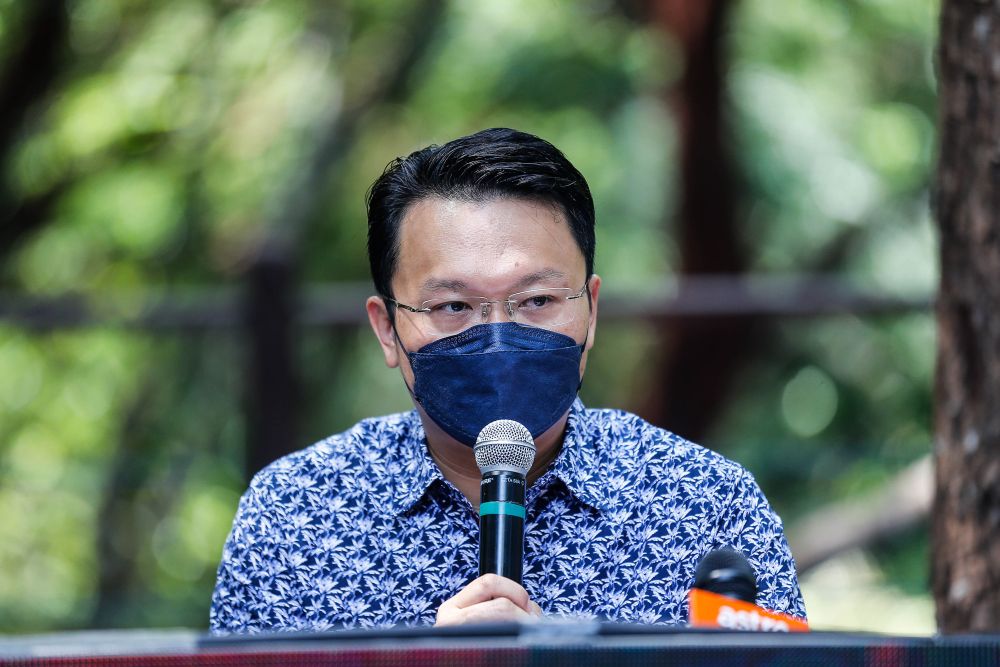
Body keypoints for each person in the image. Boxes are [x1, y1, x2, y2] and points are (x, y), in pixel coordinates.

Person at [210, 127, 806, 632]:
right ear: (388, 330)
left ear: (591, 312)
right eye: (453, 307)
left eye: (538, 299)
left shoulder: (705, 506)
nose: (498, 335)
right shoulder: (295, 516)